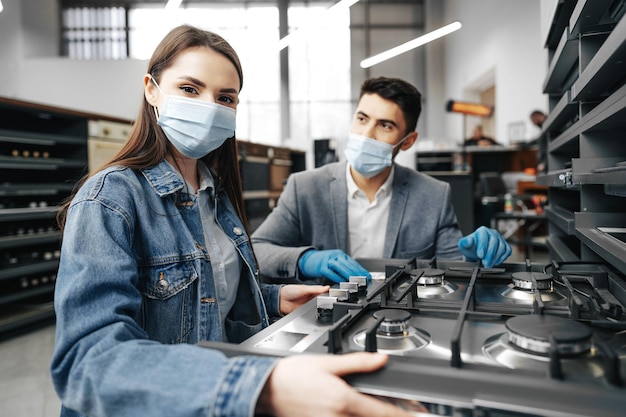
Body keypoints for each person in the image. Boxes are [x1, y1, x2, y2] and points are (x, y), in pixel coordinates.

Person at [50, 26, 419, 417]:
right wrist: (257, 387)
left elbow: (206, 317)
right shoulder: (109, 199)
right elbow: (87, 363)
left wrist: (273, 299)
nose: (209, 107)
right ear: (151, 89)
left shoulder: (215, 193)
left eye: (225, 98)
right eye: (190, 90)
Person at [251, 76, 511, 285]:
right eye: (362, 119)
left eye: (385, 126)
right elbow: (257, 251)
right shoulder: (304, 187)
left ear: (407, 141)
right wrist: (306, 259)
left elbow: (454, 271)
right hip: (324, 321)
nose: (366, 134)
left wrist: (474, 257)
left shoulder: (433, 195)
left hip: (400, 321)